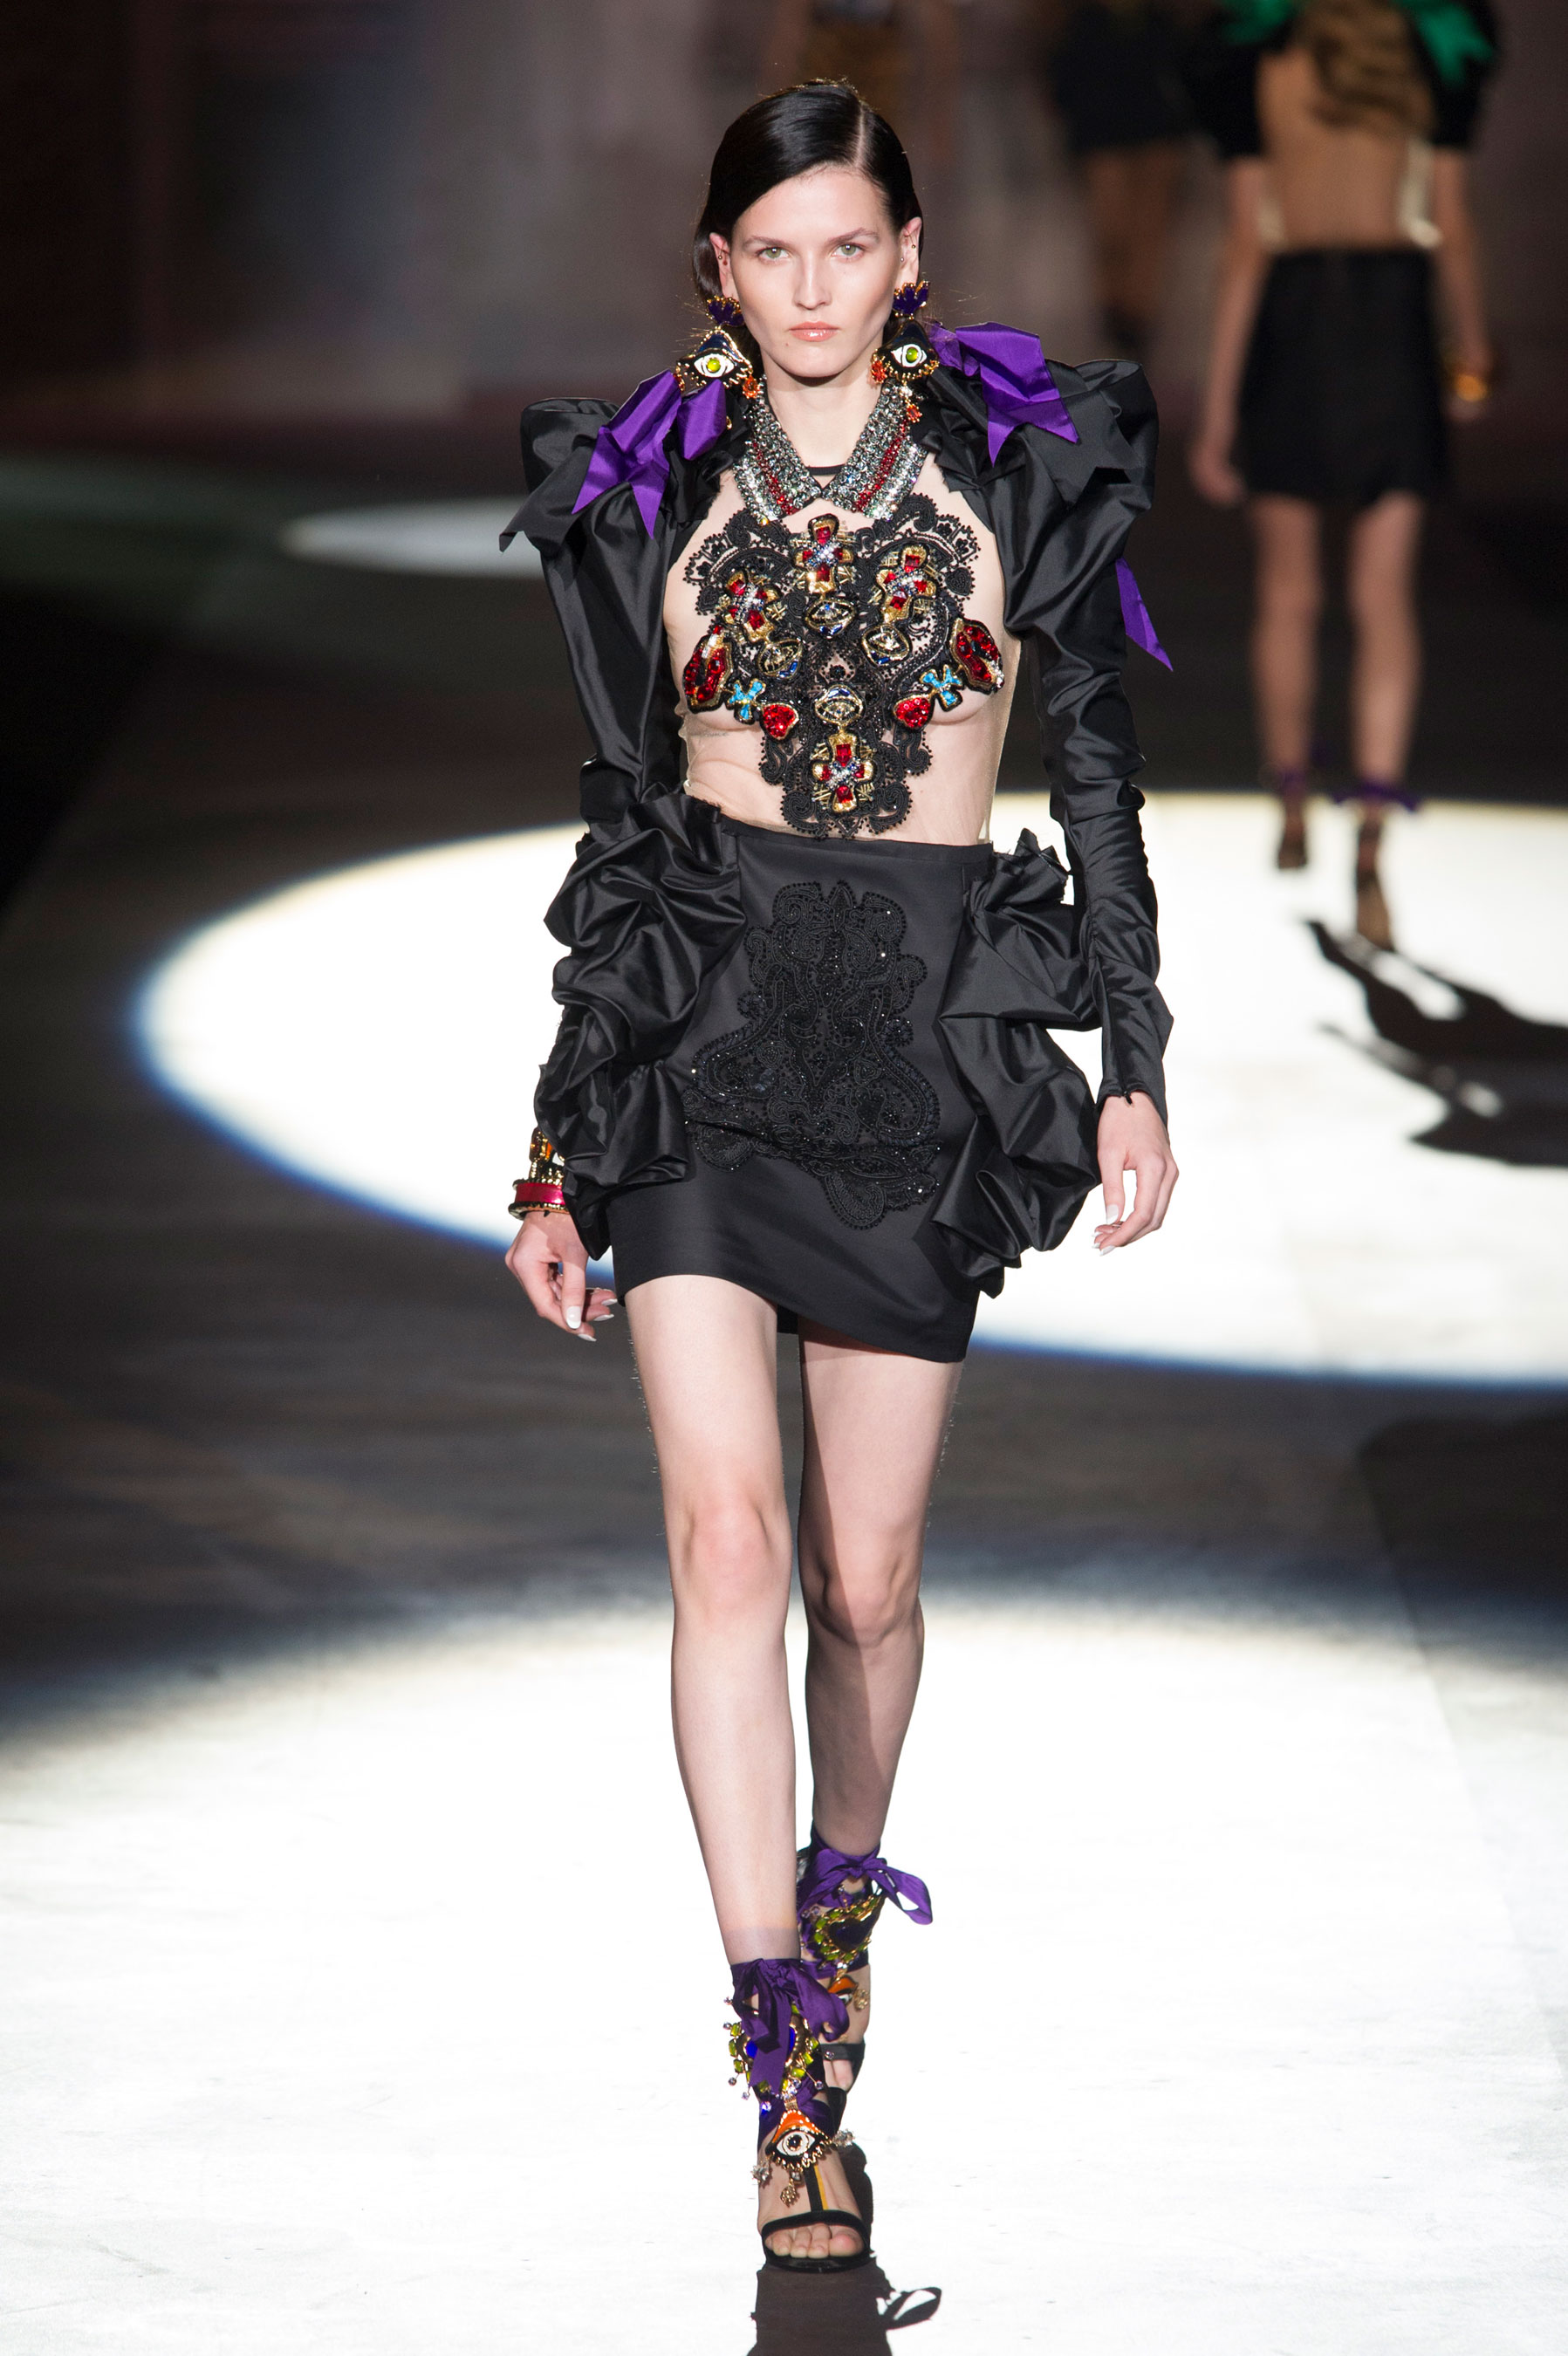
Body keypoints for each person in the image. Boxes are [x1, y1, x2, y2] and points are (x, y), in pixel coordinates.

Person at [502, 81, 1176, 2270]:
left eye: (845, 247)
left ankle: (841, 1916)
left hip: (916, 1048)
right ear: (717, 269)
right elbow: (625, 821)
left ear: (908, 260)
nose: (809, 287)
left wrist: (1134, 1064)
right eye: (770, 251)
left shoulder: (1018, 465)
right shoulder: (653, 486)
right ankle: (783, 2065)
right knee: (727, 1537)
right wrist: (559, 1140)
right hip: (700, 1046)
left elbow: (1093, 772)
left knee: (861, 1586)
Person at [1185, 0, 1497, 944]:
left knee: (1288, 593)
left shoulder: (1265, 62)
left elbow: (1246, 246)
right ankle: (1370, 834)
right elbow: (1450, 220)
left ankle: (1289, 790)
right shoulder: (1425, 56)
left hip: (1294, 328)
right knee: (1382, 598)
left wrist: (1219, 412)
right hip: (1393, 330)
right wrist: (1471, 356)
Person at [1037, 0, 1197, 364]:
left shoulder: (1161, 20)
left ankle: (1137, 322)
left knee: (1150, 226)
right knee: (1112, 227)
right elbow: (1062, 70)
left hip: (1158, 122)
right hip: (1103, 124)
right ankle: (1117, 315)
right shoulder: (1084, 23)